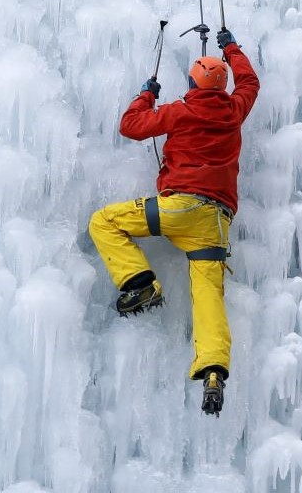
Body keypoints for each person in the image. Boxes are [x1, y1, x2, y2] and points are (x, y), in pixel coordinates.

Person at [88, 28, 258, 416]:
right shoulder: (234, 110)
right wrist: (231, 47)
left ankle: (140, 284)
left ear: (192, 82)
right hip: (215, 221)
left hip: (178, 208)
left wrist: (147, 93)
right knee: (209, 297)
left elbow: (132, 126)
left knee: (104, 221)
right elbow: (249, 82)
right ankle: (213, 370)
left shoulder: (180, 110)